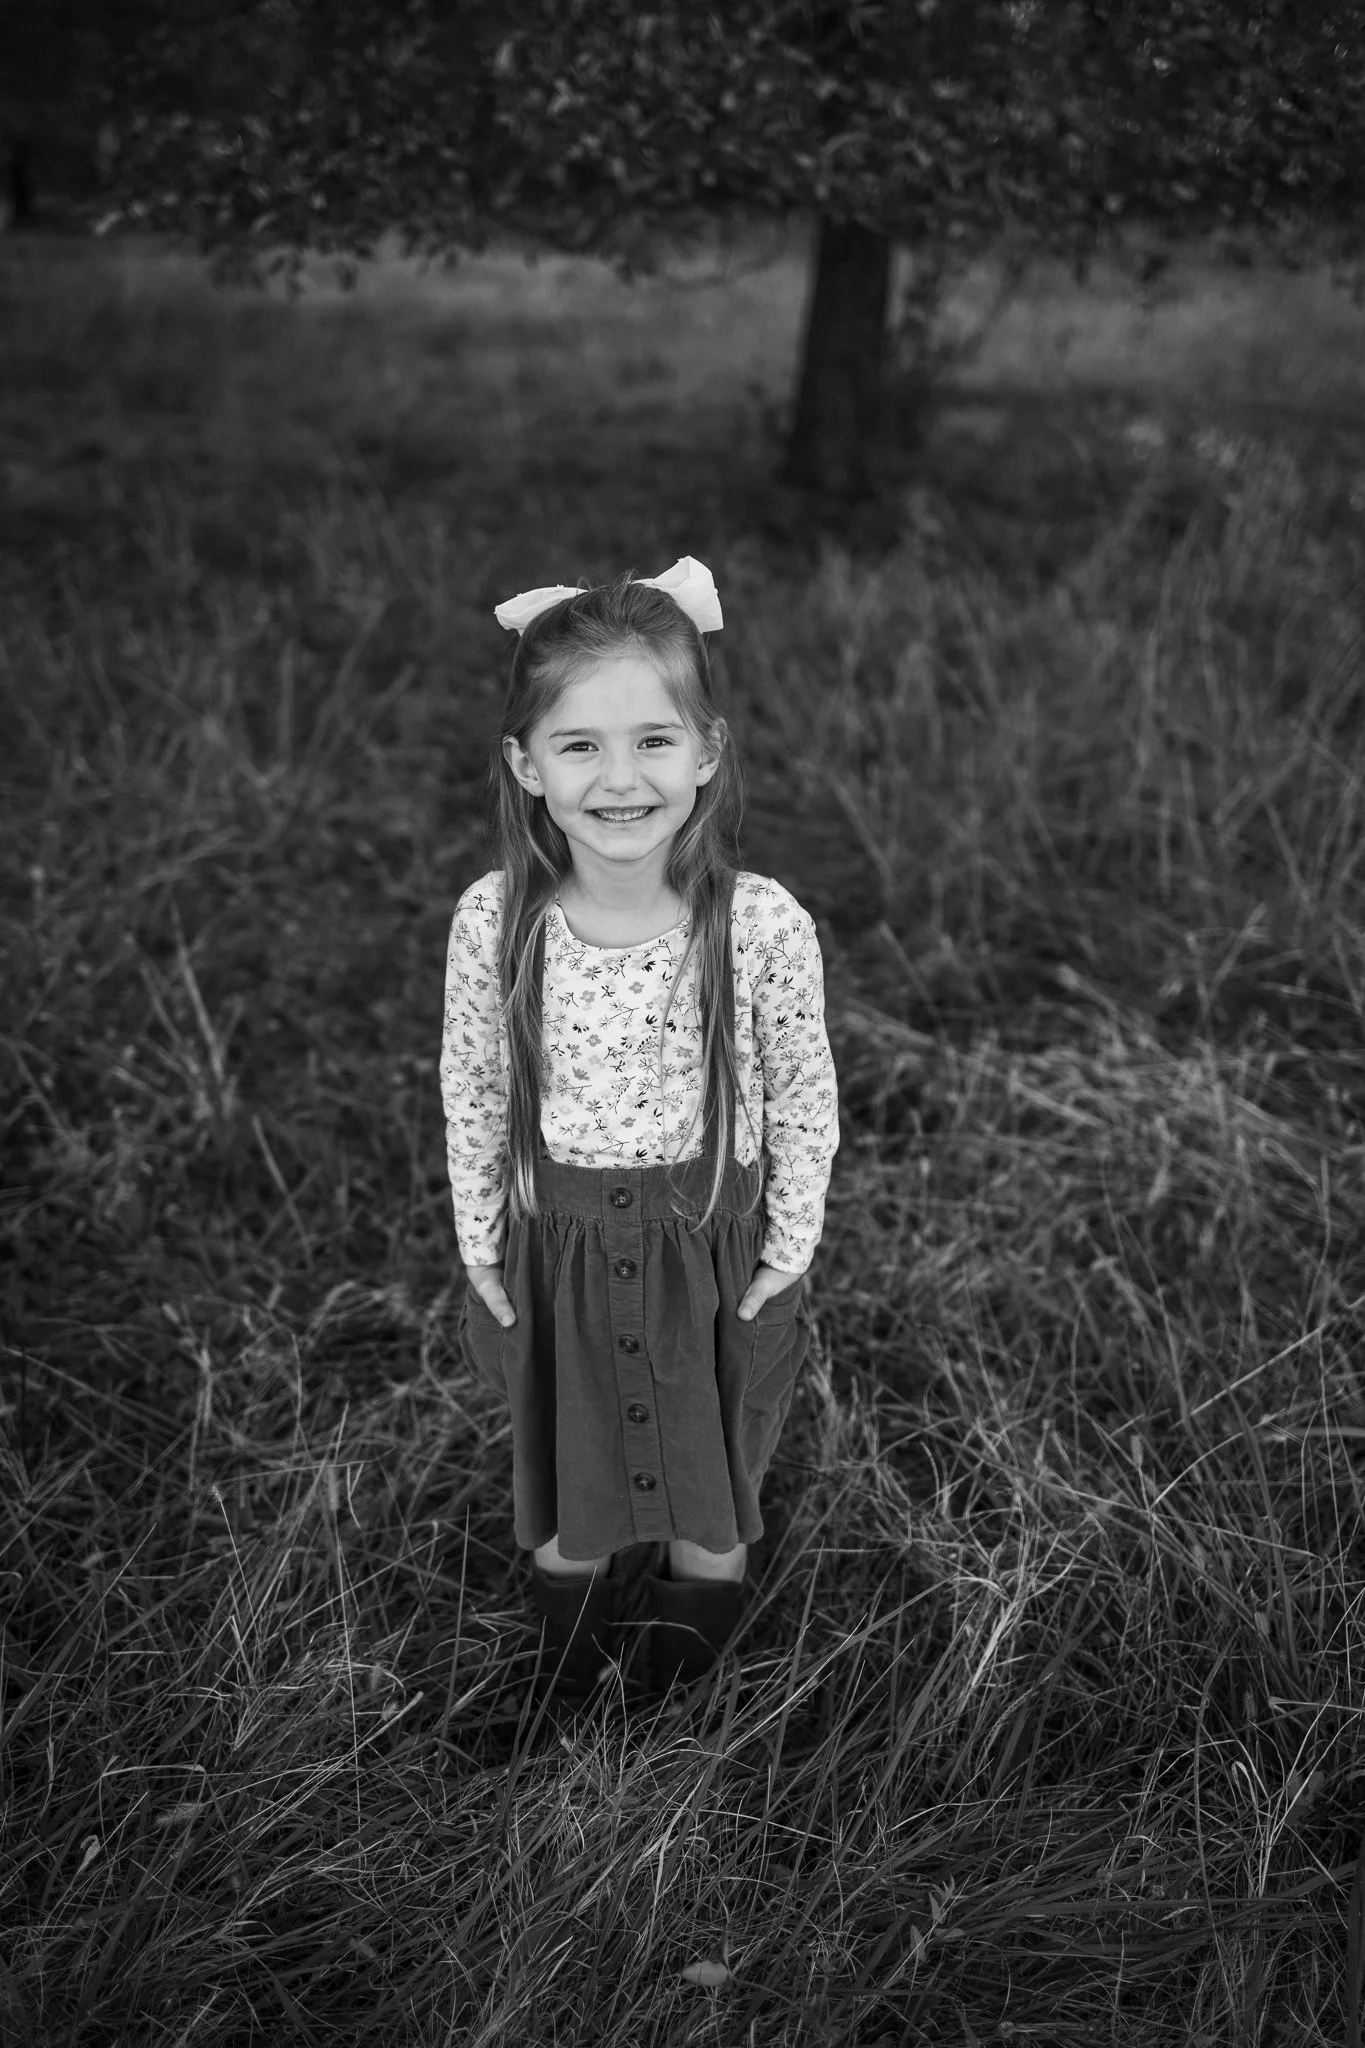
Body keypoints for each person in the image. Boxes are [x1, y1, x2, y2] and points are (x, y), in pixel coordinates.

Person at [439, 556, 839, 1705]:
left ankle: (681, 1703)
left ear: (707, 750)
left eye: (654, 739)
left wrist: (786, 1253)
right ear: (527, 765)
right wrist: (481, 1243)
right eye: (579, 745)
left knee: (708, 1499)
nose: (620, 778)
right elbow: (475, 1087)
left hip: (710, 1254)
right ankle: (568, 1688)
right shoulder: (497, 920)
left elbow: (803, 1092)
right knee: (571, 1494)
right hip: (559, 1251)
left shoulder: (758, 924)